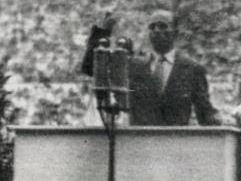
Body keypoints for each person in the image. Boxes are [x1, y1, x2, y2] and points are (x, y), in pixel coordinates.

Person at [81, 10, 220, 126]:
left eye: (163, 26)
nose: (156, 30)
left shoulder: (192, 70)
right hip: (141, 147)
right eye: (152, 27)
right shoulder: (133, 66)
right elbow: (91, 69)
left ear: (176, 32)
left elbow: (205, 113)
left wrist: (222, 127)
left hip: (175, 148)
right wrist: (102, 32)